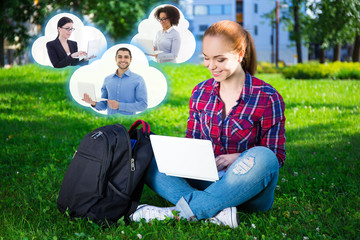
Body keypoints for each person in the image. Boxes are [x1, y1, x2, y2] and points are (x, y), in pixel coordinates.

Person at [129, 20, 286, 228]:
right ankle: (216, 212)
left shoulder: (267, 97)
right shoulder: (200, 92)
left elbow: (276, 156)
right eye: (206, 58)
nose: (211, 66)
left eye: (219, 59)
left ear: (240, 54)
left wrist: (238, 158)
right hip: (204, 180)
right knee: (146, 156)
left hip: (246, 187)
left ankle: (180, 212)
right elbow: (191, 142)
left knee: (265, 158)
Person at [82, 47, 148, 115]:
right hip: (111, 122)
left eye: (126, 57)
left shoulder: (138, 80)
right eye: (120, 57)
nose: (123, 60)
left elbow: (143, 105)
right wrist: (93, 103)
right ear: (115, 59)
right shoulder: (107, 79)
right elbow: (104, 105)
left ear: (130, 59)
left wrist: (119, 106)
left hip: (128, 123)